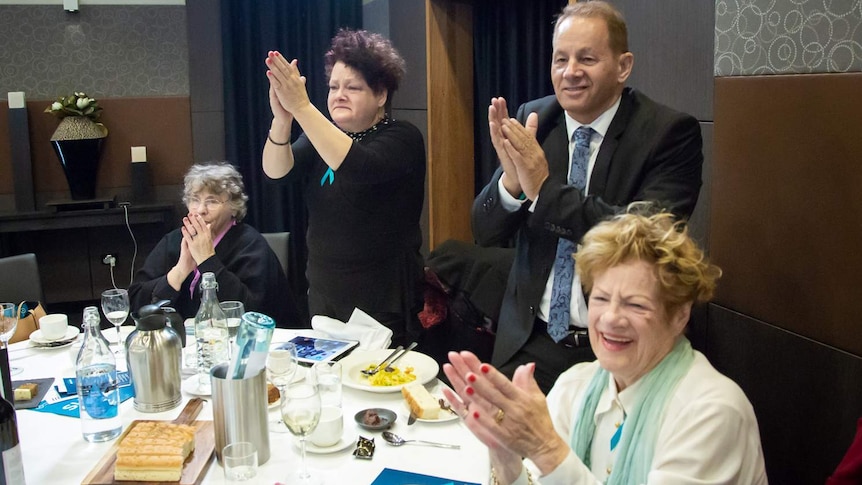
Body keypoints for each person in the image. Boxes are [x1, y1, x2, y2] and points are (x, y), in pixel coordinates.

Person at [473, 1, 704, 393]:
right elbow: (483, 229)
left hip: (615, 352)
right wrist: (511, 184)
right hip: (528, 340)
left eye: (587, 58)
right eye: (560, 58)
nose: (571, 72)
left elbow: (642, 240)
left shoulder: (668, 133)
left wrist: (542, 190)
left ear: (623, 66)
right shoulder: (536, 119)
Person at [443, 208, 768, 484]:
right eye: (600, 298)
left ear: (680, 315)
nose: (611, 318)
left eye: (635, 305)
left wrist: (546, 448)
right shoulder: (576, 386)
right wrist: (506, 456)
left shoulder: (712, 412)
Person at [262, 29, 426, 347]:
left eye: (352, 87)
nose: (339, 95)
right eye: (334, 86)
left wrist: (303, 108)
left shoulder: (403, 137)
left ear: (381, 96)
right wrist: (283, 119)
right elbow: (276, 173)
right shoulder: (320, 137)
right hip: (325, 293)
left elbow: (357, 166)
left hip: (382, 300)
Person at [129, 162, 301, 326]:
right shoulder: (174, 240)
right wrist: (179, 272)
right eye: (195, 200)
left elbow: (253, 313)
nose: (201, 209)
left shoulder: (251, 245)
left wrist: (207, 260)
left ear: (234, 206)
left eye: (212, 201)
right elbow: (135, 303)